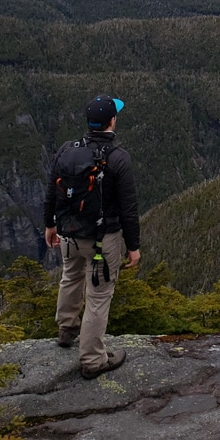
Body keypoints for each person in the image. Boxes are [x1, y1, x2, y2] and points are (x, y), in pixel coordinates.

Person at [44, 94, 142, 379]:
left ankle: (66, 330)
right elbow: (128, 207)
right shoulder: (118, 158)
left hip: (68, 235)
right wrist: (133, 247)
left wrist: (50, 225)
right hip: (103, 239)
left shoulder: (67, 150)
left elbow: (53, 190)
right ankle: (92, 360)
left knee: (70, 277)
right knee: (99, 295)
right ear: (112, 121)